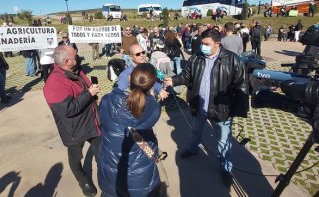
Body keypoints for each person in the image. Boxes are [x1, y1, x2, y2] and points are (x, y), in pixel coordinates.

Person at [164, 28, 249, 187]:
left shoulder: (232, 60)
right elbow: (187, 76)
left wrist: (238, 108)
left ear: (218, 43)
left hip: (221, 107)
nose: (202, 46)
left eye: (206, 44)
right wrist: (174, 80)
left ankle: (225, 168)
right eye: (202, 43)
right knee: (195, 130)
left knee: (223, 140)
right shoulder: (196, 57)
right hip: (199, 104)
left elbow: (241, 87)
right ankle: (193, 148)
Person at [43, 45, 101, 197]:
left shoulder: (77, 70)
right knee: (76, 158)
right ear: (67, 61)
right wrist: (89, 94)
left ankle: (106, 178)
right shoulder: (54, 83)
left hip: (93, 122)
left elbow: (87, 86)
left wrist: (93, 94)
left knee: (102, 154)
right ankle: (83, 181)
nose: (77, 56)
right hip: (74, 130)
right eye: (75, 55)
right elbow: (68, 109)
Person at [98, 63, 161, 197]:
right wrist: (150, 95)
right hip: (140, 174)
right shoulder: (154, 108)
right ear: (151, 85)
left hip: (110, 169)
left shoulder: (107, 100)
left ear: (129, 78)